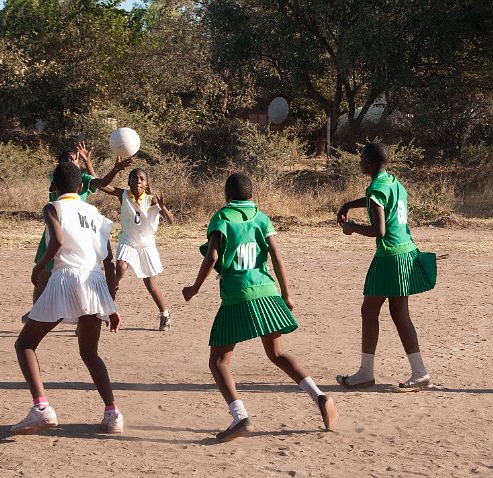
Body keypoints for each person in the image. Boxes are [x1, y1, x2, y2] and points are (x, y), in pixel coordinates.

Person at [182, 172, 338, 442]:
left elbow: (213, 254)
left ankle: (239, 415)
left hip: (237, 295)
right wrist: (287, 294)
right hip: (267, 292)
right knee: (277, 354)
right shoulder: (262, 217)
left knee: (218, 361)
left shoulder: (221, 217)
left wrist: (194, 289)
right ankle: (319, 395)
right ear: (252, 196)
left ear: (226, 195)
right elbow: (276, 255)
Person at [12, 161, 124, 435]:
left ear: (53, 186)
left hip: (66, 277)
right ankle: (113, 414)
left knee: (25, 344)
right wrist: (110, 302)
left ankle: (41, 408)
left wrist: (39, 267)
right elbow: (108, 262)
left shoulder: (53, 207)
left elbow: (58, 242)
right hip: (94, 280)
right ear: (79, 186)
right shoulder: (95, 212)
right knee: (90, 353)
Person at [335, 143, 437, 392]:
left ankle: (366, 374)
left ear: (369, 163)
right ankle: (419, 372)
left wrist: (352, 227)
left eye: (361, 158)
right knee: (400, 314)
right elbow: (378, 199)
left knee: (369, 312)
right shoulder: (392, 181)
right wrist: (349, 204)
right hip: (406, 253)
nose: (359, 161)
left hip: (389, 257)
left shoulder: (377, 188)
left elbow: (378, 230)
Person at [27, 143, 132, 313]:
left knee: (79, 267)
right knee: (46, 275)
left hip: (79, 228)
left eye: (75, 159)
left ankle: (81, 317)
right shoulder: (62, 179)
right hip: (59, 227)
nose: (73, 161)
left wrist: (111, 169)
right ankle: (37, 309)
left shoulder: (83, 179)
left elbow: (101, 182)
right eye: (68, 159)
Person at [100, 168, 174, 331]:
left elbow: (171, 221)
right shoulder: (123, 195)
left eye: (142, 179)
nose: (138, 181)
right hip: (128, 239)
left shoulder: (152, 199)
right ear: (129, 182)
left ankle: (165, 314)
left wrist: (163, 208)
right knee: (120, 267)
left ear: (146, 183)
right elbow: (101, 185)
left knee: (151, 284)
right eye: (134, 178)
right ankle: (113, 292)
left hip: (146, 244)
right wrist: (89, 163)